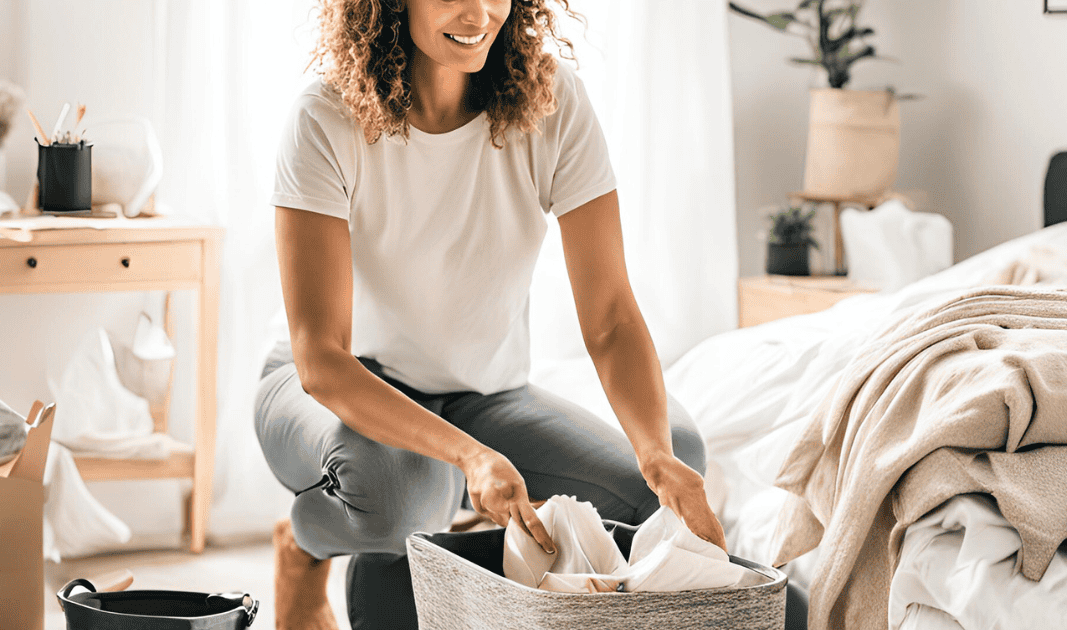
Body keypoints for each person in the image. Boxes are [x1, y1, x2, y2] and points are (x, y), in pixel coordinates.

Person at [253, 0, 726, 628]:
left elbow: (610, 314)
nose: (478, 11)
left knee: (667, 463)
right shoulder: (326, 116)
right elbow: (322, 360)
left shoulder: (551, 100)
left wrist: (656, 455)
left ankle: (426, 511)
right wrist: (471, 458)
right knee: (402, 497)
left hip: (484, 394)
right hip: (337, 385)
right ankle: (305, 545)